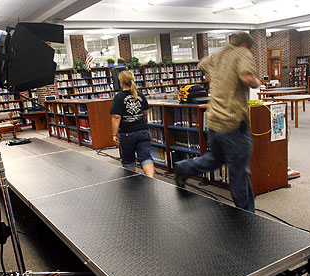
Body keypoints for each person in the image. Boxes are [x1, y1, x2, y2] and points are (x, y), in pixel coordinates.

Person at [174, 32, 262, 212]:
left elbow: (202, 64)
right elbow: (246, 77)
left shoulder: (218, 55)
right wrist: (256, 82)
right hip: (232, 122)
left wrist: (217, 75)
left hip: (214, 120)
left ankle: (184, 167)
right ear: (246, 45)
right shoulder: (242, 53)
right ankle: (247, 215)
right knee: (239, 171)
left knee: (216, 158)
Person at [110, 70, 155, 178]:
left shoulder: (119, 97)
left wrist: (114, 134)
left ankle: (132, 184)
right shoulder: (140, 95)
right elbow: (145, 112)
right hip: (143, 131)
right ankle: (151, 179)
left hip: (127, 133)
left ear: (121, 81)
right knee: (145, 158)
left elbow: (116, 116)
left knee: (128, 159)